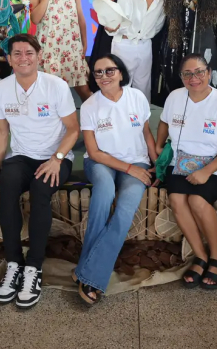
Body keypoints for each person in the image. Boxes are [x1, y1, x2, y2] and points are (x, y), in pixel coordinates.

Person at [0, 33, 80, 309]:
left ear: (39, 56)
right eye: (17, 53)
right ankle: (14, 264)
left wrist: (56, 159)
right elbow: (1, 129)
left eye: (28, 53)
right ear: (9, 59)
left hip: (55, 158)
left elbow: (73, 128)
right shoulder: (3, 88)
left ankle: (34, 269)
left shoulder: (56, 86)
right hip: (21, 156)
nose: (23, 58)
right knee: (7, 186)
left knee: (40, 190)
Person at [155, 54, 217, 290]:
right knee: (176, 198)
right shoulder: (175, 97)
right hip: (182, 162)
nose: (194, 78)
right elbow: (164, 122)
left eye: (199, 72)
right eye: (187, 74)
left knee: (197, 199)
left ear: (209, 72)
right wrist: (158, 145)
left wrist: (206, 171)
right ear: (181, 76)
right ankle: (200, 255)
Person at [74, 55, 157, 304]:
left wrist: (156, 165)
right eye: (98, 73)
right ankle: (93, 276)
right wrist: (129, 168)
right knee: (104, 192)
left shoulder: (137, 97)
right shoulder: (90, 106)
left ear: (121, 73)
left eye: (109, 71)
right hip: (100, 162)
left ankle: (87, 272)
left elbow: (147, 134)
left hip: (138, 161)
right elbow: (95, 152)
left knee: (125, 209)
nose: (104, 76)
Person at [29, 0, 92, 100]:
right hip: (47, 47)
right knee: (48, 94)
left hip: (71, 46)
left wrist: (84, 43)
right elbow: (35, 19)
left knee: (84, 90)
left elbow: (80, 17)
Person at [105, 0, 166, 102]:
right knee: (120, 86)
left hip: (145, 46)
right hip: (124, 44)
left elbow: (158, 25)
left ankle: (143, 123)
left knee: (143, 89)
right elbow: (120, 19)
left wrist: (145, 36)